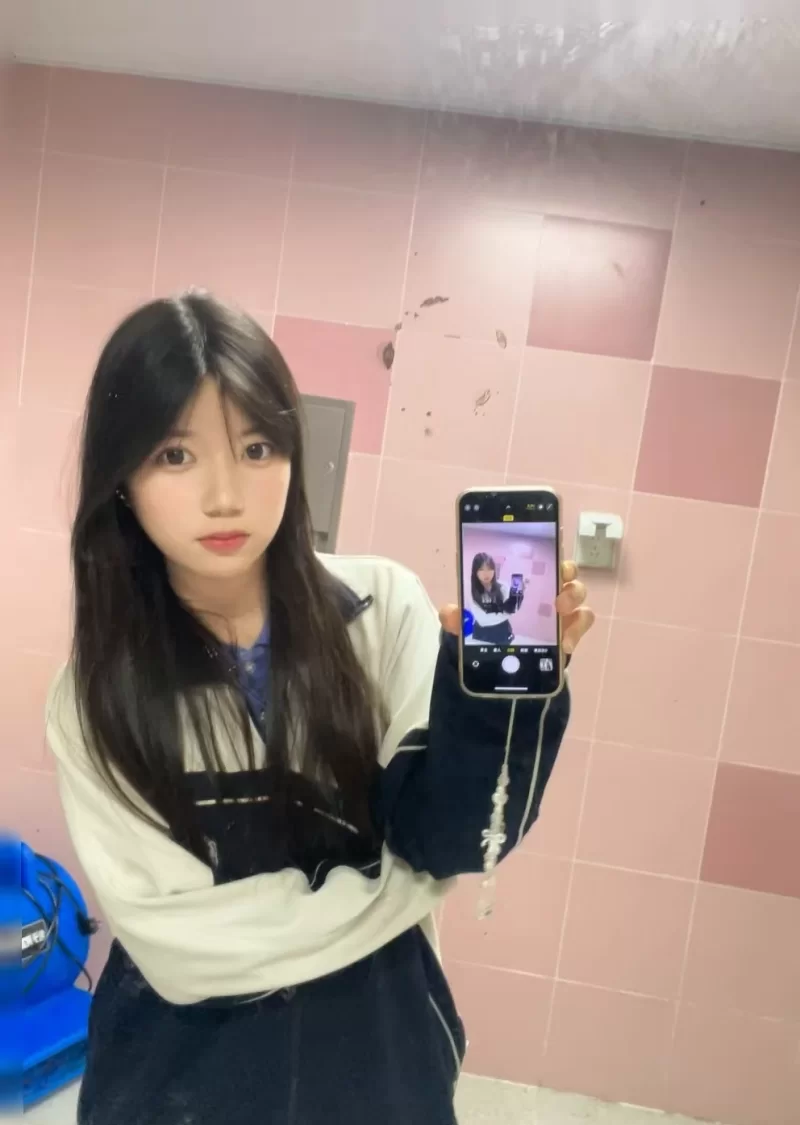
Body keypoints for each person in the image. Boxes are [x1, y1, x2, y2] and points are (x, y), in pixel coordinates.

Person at [46, 292, 594, 1125]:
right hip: (176, 1084)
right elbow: (181, 952)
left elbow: (449, 840)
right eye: (175, 454)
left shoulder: (383, 609)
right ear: (120, 479)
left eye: (256, 448)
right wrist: (399, 889)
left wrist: (494, 707)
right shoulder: (96, 697)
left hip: (379, 1070)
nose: (225, 496)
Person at [469, 552, 526, 645]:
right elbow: (483, 620)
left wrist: (519, 596)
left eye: (489, 569)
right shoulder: (471, 590)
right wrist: (506, 612)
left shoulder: (503, 587)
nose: (486, 574)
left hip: (502, 633)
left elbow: (513, 609)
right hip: (482, 635)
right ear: (475, 571)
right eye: (481, 569)